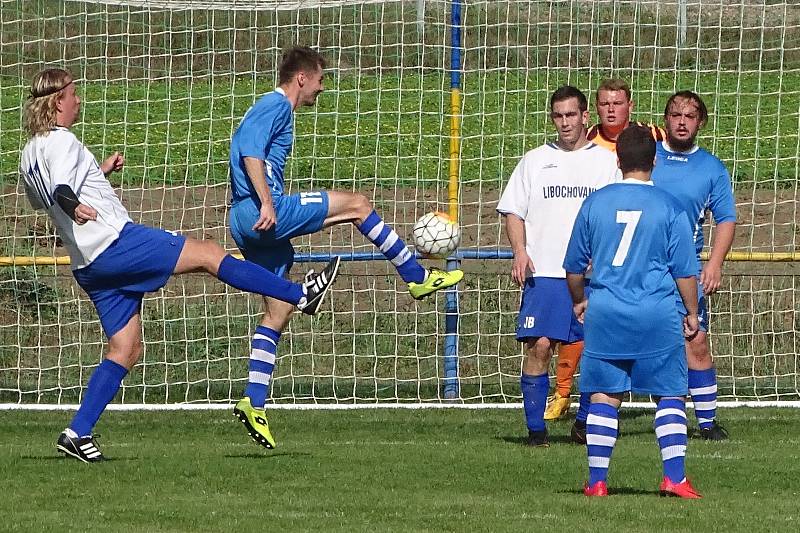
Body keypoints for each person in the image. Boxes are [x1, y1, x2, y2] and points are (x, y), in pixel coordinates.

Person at [19, 68, 341, 463]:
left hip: (88, 265)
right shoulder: (61, 142)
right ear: (57, 102)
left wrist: (97, 175)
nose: (78, 100)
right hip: (116, 244)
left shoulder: (30, 152)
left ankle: (77, 432)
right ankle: (300, 295)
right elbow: (62, 192)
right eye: (73, 95)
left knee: (125, 348)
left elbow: (47, 196)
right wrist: (77, 205)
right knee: (208, 254)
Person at [228, 46, 463, 450]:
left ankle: (254, 400)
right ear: (301, 77)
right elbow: (249, 151)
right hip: (263, 210)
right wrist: (267, 202)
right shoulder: (276, 105)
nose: (322, 88)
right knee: (357, 204)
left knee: (277, 310)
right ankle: (416, 275)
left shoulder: (270, 108)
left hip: (244, 220)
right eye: (320, 79)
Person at [563, 124, 702, 498]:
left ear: (618, 160)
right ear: (654, 161)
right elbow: (685, 271)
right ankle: (674, 477)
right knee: (670, 393)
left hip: (606, 312)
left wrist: (580, 299)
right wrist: (692, 312)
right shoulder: (670, 206)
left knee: (604, 395)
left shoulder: (595, 203)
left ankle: (596, 482)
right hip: (655, 313)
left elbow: (574, 269)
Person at [496, 86, 620, 447]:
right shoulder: (534, 160)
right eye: (557, 116)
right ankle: (536, 431)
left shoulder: (605, 163)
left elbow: (614, 214)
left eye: (570, 115)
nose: (564, 123)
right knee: (541, 346)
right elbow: (514, 211)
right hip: (545, 272)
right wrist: (519, 252)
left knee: (595, 350)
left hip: (589, 274)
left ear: (585, 117)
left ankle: (583, 422)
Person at [546, 78, 665, 424]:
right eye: (604, 103)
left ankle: (659, 396)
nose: (611, 109)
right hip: (593, 245)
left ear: (630, 106)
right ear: (594, 109)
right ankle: (566, 394)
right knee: (580, 328)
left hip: (640, 244)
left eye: (617, 103)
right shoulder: (588, 144)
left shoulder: (649, 137)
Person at [652, 91, 736, 440]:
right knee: (620, 343)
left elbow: (727, 218)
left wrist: (714, 264)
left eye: (689, 116)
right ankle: (591, 414)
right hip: (640, 271)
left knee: (695, 340)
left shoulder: (711, 167)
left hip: (683, 272)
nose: (681, 122)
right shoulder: (646, 157)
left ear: (700, 122)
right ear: (666, 120)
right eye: (675, 115)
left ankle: (706, 423)